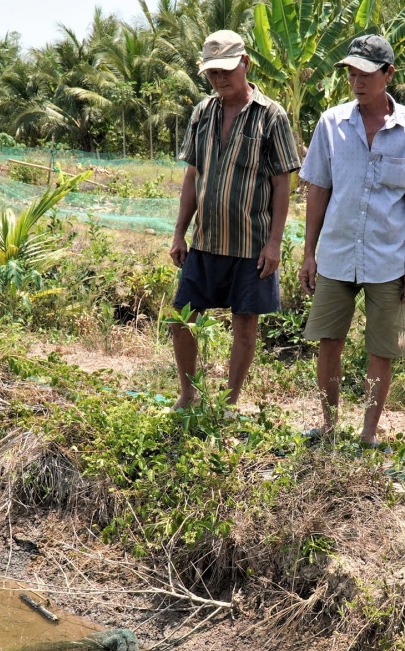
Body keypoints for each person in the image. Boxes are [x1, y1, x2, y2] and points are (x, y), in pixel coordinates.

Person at [297, 35, 405, 448]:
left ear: (388, 74)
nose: (357, 81)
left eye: (366, 73)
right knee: (329, 340)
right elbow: (318, 189)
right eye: (351, 73)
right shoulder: (331, 124)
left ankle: (368, 435)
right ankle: (327, 427)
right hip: (337, 253)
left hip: (387, 257)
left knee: (381, 350)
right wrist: (309, 253)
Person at [169, 29, 302, 411]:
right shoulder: (203, 112)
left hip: (251, 245)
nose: (220, 79)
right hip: (206, 241)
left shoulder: (271, 116)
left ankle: (229, 403)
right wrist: (179, 233)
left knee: (245, 326)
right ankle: (188, 394)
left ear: (245, 64)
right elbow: (193, 176)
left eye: (227, 70)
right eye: (212, 73)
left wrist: (275, 242)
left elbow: (282, 183)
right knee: (181, 319)